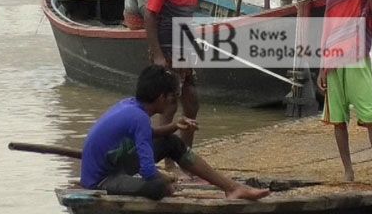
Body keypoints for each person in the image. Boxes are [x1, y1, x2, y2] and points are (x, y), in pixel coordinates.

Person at [79, 65, 271, 201]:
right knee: (157, 187)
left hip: (117, 164)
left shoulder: (131, 105)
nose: (173, 102)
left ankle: (232, 188)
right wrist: (165, 180)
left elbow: (148, 134)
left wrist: (174, 126)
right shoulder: (138, 118)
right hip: (102, 180)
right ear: (161, 97)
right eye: (172, 97)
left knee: (171, 142)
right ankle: (232, 188)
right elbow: (147, 171)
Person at [316, 0, 372, 183]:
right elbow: (327, 31)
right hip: (334, 61)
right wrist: (321, 67)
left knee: (369, 115)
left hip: (357, 58)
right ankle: (348, 170)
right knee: (338, 119)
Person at [145, 0, 207, 148]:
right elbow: (150, 13)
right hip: (166, 41)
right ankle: (166, 155)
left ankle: (185, 152)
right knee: (169, 103)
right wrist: (159, 55)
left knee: (191, 101)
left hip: (184, 40)